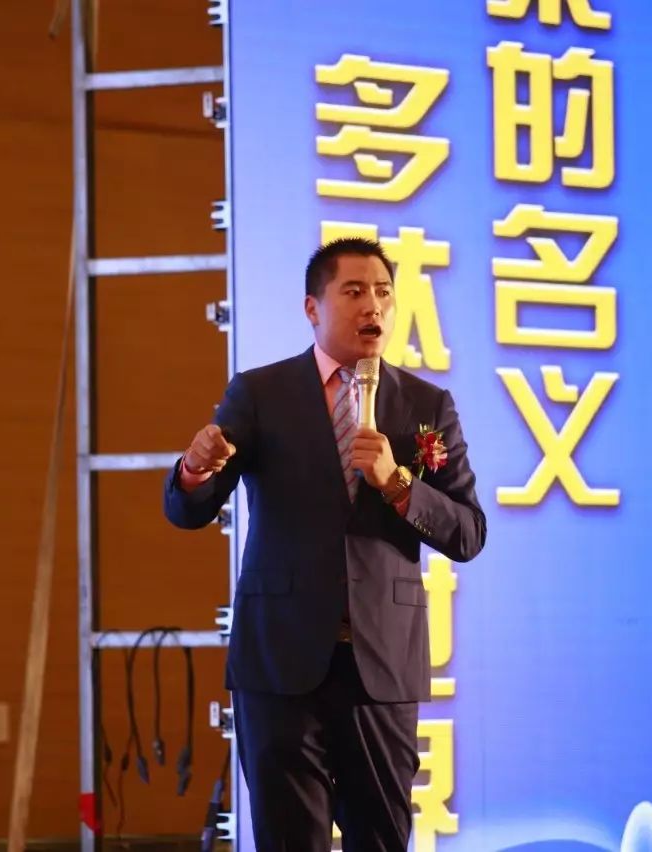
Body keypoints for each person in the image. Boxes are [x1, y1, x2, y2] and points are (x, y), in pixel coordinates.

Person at [163, 237, 487, 851]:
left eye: (384, 293)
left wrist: (398, 484)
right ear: (312, 308)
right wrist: (195, 469)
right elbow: (188, 511)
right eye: (354, 291)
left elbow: (469, 532)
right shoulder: (260, 393)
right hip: (280, 664)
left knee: (381, 839)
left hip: (380, 666)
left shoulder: (426, 405)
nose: (373, 306)